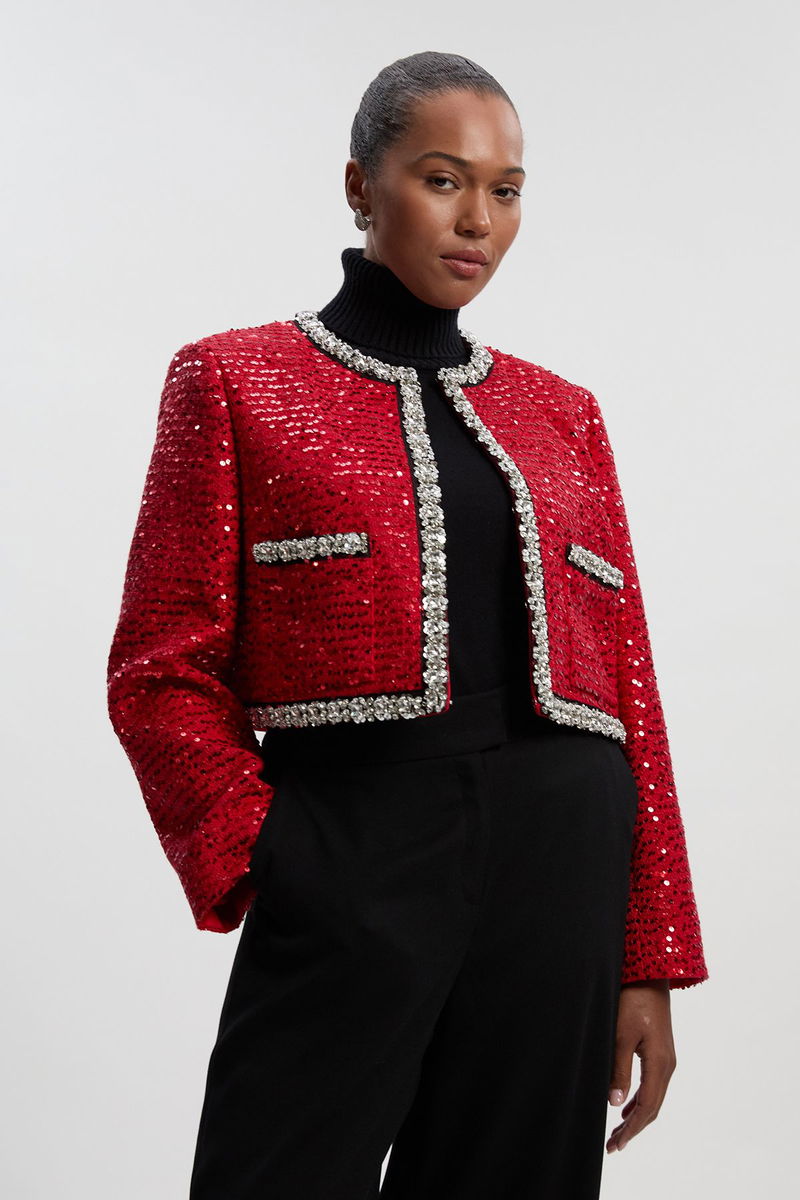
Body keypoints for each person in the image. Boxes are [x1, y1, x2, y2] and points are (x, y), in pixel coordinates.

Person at [106, 50, 709, 1200]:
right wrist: (271, 854)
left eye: (505, 189)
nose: (477, 219)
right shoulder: (232, 381)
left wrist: (646, 953)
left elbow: (627, 693)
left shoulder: (562, 415)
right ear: (359, 184)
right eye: (443, 179)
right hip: (353, 845)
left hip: (560, 862)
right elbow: (158, 666)